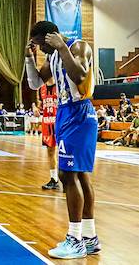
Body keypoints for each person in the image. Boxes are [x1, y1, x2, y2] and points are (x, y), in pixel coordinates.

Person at [25, 20, 99, 259]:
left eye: (39, 44)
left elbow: (79, 75)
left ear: (49, 37)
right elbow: (36, 83)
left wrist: (62, 47)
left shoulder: (78, 47)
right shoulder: (53, 57)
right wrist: (30, 58)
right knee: (81, 175)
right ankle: (89, 237)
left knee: (69, 176)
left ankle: (75, 239)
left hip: (79, 112)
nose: (41, 48)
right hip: (65, 113)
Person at [39, 78, 60, 190]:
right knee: (50, 152)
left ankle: (69, 180)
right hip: (47, 123)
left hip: (60, 122)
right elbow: (41, 105)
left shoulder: (60, 84)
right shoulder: (41, 88)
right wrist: (37, 109)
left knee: (65, 152)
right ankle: (54, 179)